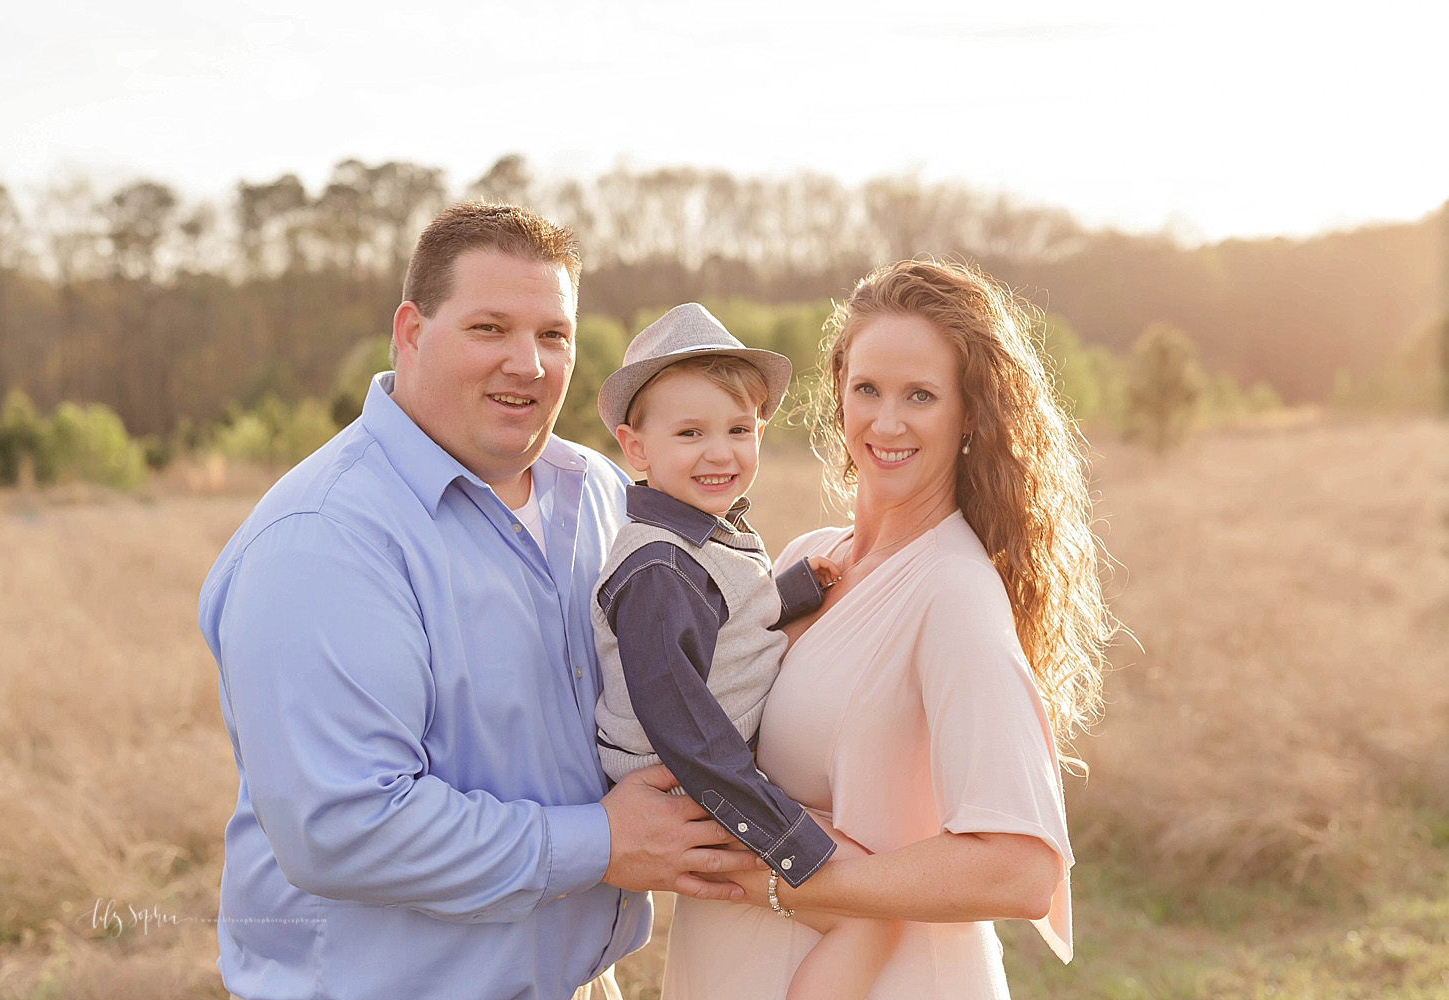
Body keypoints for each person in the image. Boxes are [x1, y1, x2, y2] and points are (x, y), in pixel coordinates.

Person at [197, 203, 763, 1000]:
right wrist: (598, 843)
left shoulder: (601, 495)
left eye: (553, 335)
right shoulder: (324, 539)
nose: (528, 364)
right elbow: (344, 829)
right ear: (411, 332)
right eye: (489, 329)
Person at [661, 258, 1114, 999]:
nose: (887, 420)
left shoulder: (953, 592)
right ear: (838, 393)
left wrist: (799, 883)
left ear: (971, 415)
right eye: (866, 388)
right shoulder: (811, 557)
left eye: (921, 396)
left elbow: (1020, 867)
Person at [590, 302, 902, 1000]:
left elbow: (725, 625)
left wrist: (792, 592)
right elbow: (685, 727)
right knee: (867, 913)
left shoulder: (706, 538)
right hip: (684, 793)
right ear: (636, 448)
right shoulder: (656, 571)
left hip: (711, 781)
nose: (720, 452)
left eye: (738, 430)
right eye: (690, 432)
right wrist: (784, 834)